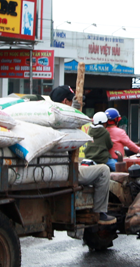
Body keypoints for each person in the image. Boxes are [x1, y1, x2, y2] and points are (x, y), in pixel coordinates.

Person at [49, 86, 115, 225]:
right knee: (105, 170)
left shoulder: (48, 115)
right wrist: (74, 109)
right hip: (67, 171)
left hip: (61, 167)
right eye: (70, 101)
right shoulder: (60, 117)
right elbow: (110, 146)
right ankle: (100, 212)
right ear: (66, 101)